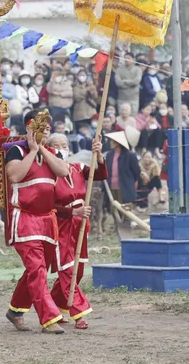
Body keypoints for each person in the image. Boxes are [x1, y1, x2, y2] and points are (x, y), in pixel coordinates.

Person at [4, 110, 69, 334]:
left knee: (37, 270)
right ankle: (49, 319)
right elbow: (14, 176)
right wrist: (32, 151)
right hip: (25, 219)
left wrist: (41, 149)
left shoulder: (52, 153)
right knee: (37, 269)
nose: (45, 131)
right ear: (29, 129)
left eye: (48, 129)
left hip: (48, 221)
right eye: (40, 128)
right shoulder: (16, 150)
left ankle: (15, 310)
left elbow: (64, 170)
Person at [46, 133, 106, 329]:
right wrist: (73, 212)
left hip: (80, 225)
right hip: (60, 225)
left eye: (64, 145)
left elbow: (100, 174)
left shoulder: (78, 168)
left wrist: (98, 154)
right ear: (48, 149)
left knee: (78, 270)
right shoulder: (47, 175)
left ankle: (54, 306)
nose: (61, 148)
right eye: (57, 145)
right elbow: (49, 206)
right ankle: (79, 313)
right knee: (67, 270)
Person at [104, 128, 141, 204]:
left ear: (117, 143)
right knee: (113, 211)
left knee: (125, 211)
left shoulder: (130, 156)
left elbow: (136, 172)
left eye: (112, 141)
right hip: (111, 188)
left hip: (125, 188)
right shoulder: (109, 155)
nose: (110, 143)